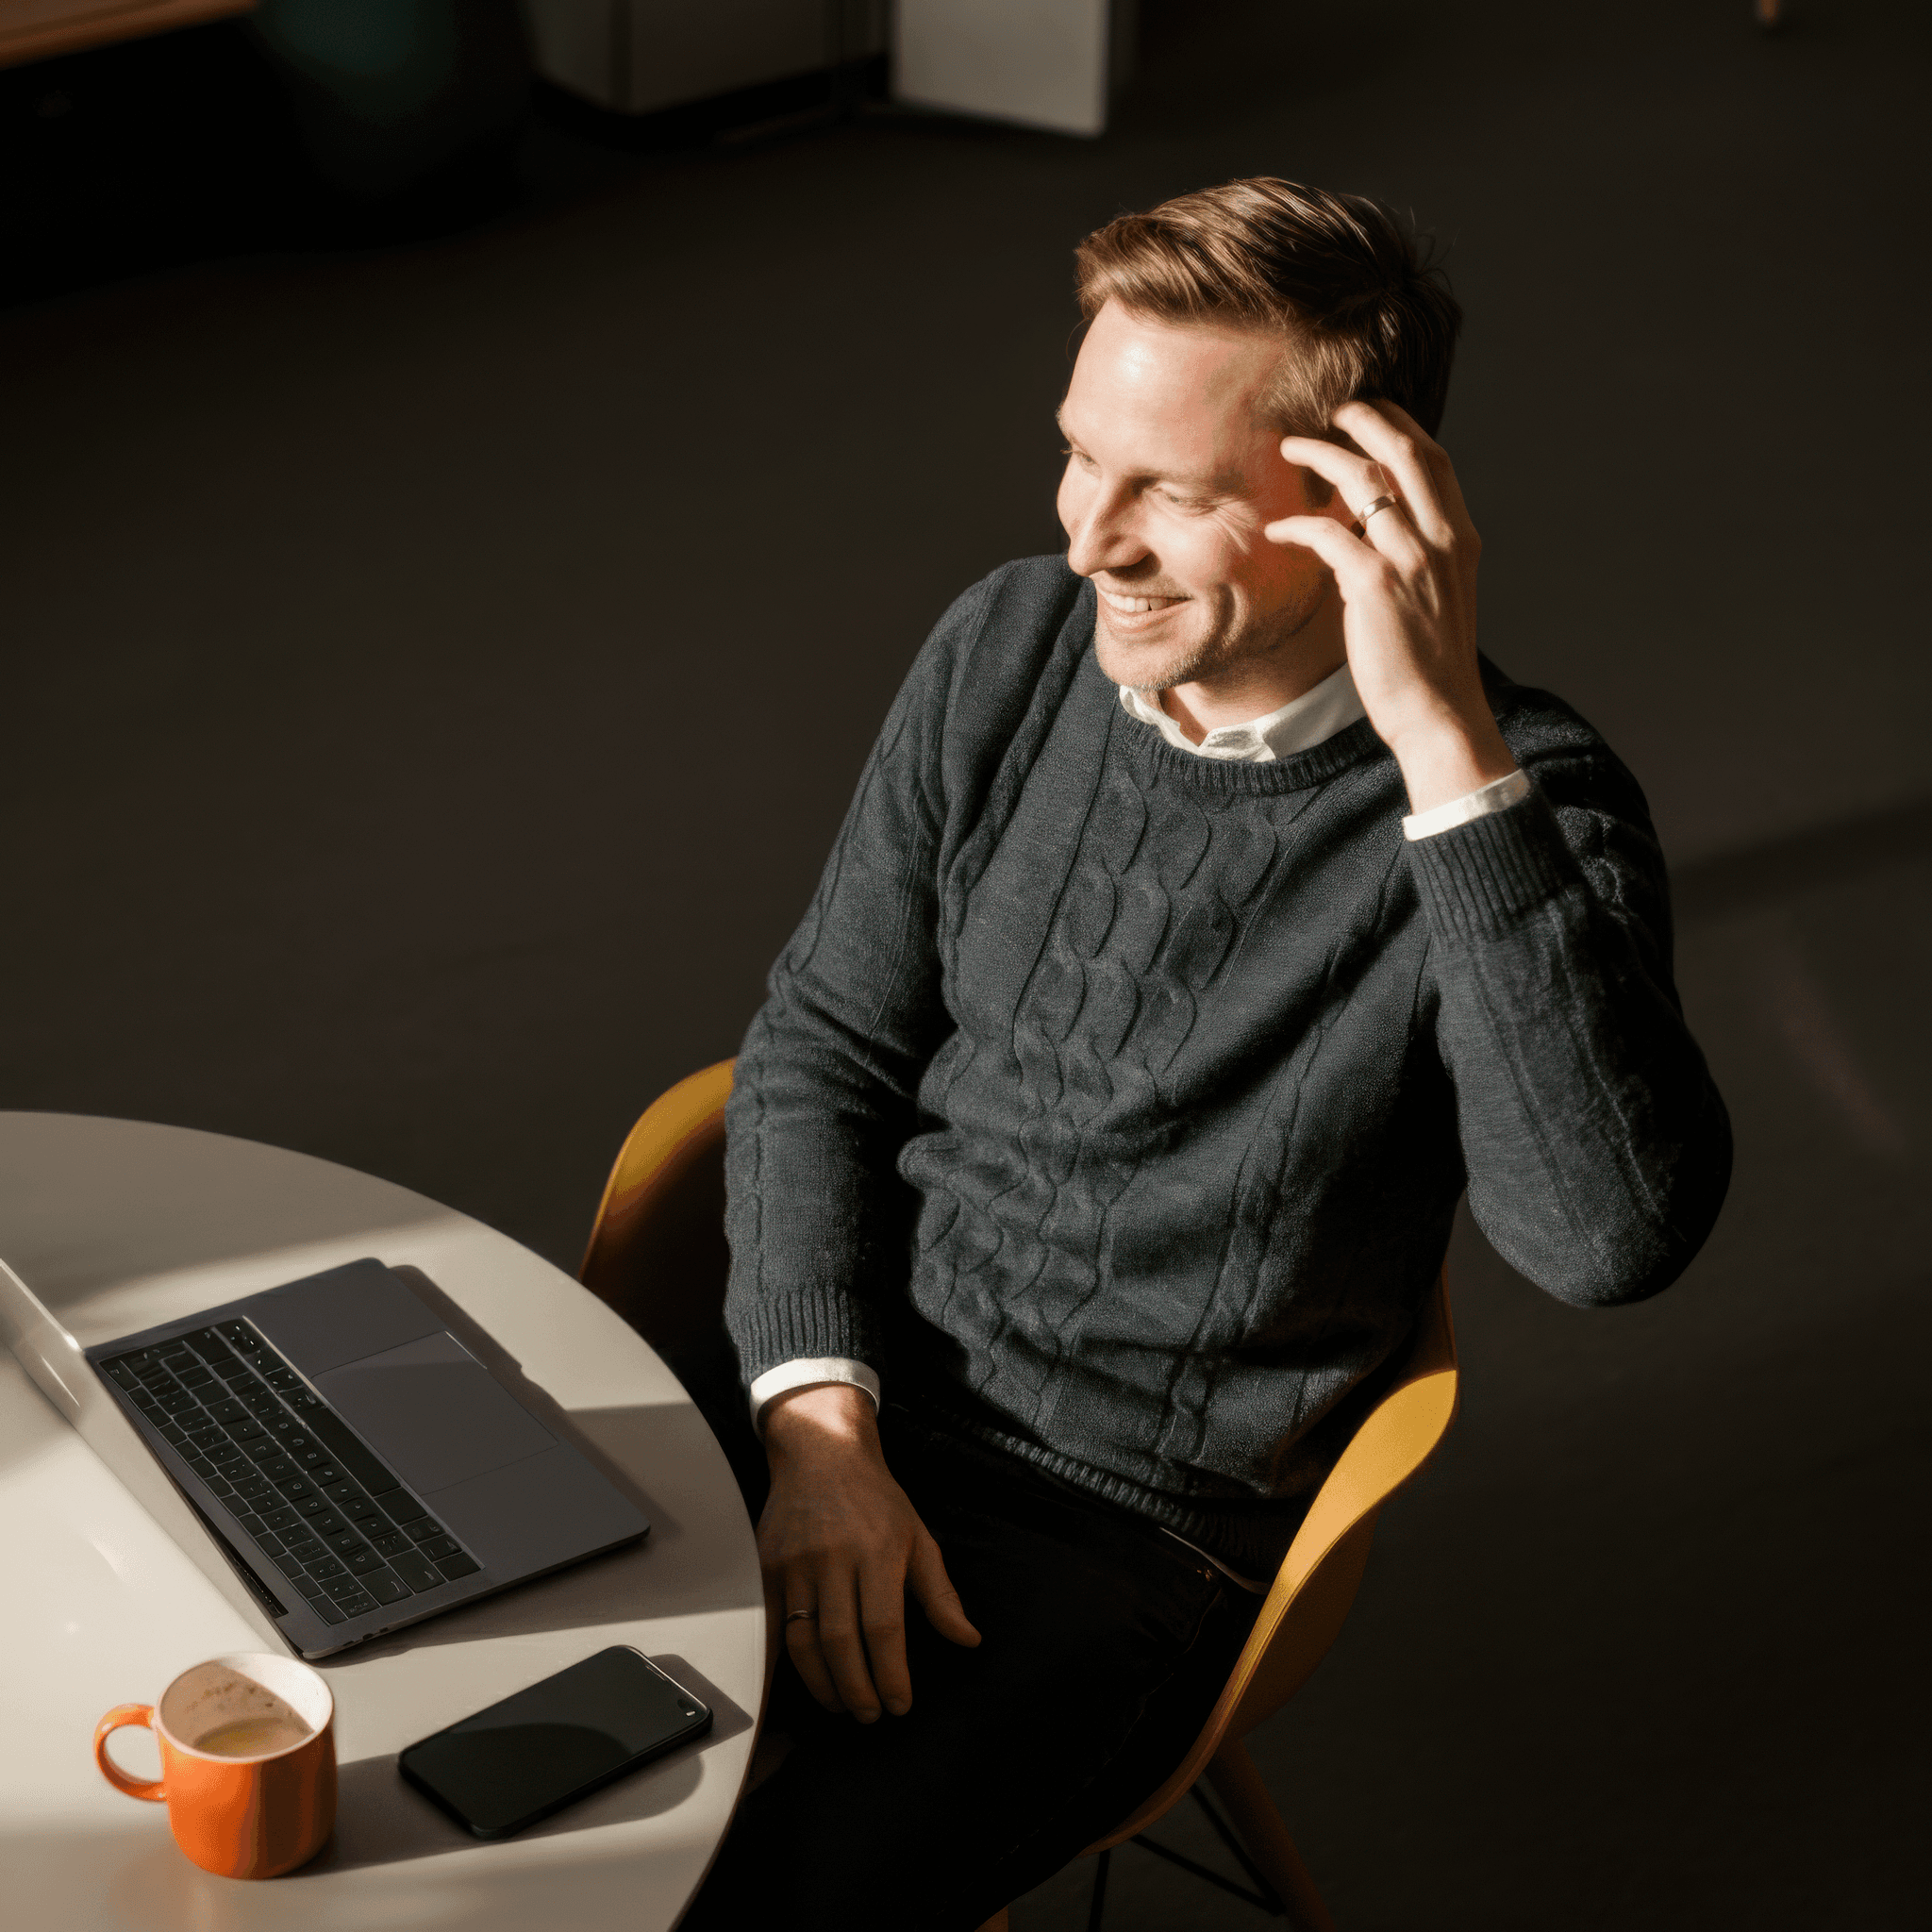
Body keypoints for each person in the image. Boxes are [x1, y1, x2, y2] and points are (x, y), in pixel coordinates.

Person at [682, 177, 1731, 1929]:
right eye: (1082, 453)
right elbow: (823, 1045)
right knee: (423, 1714)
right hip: (838, 1386)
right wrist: (823, 1432)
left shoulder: (1521, 809)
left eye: (1165, 489)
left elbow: (1608, 1244)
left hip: (1121, 1531)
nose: (1090, 535)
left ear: (1351, 509)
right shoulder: (1008, 645)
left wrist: (1443, 751)